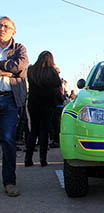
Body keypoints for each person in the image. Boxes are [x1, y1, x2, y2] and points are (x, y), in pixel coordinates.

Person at [0, 16, 29, 197]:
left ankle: (9, 181)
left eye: (6, 26)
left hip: (10, 100)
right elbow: (12, 68)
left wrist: (5, 67)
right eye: (0, 25)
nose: (2, 28)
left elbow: (19, 66)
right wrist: (6, 68)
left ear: (13, 31)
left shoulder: (19, 49)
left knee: (8, 140)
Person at [25, 51, 64, 167]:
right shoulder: (51, 72)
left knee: (34, 131)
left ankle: (28, 159)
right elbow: (57, 87)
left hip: (33, 103)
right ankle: (43, 159)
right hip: (47, 104)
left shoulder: (31, 70)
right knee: (44, 131)